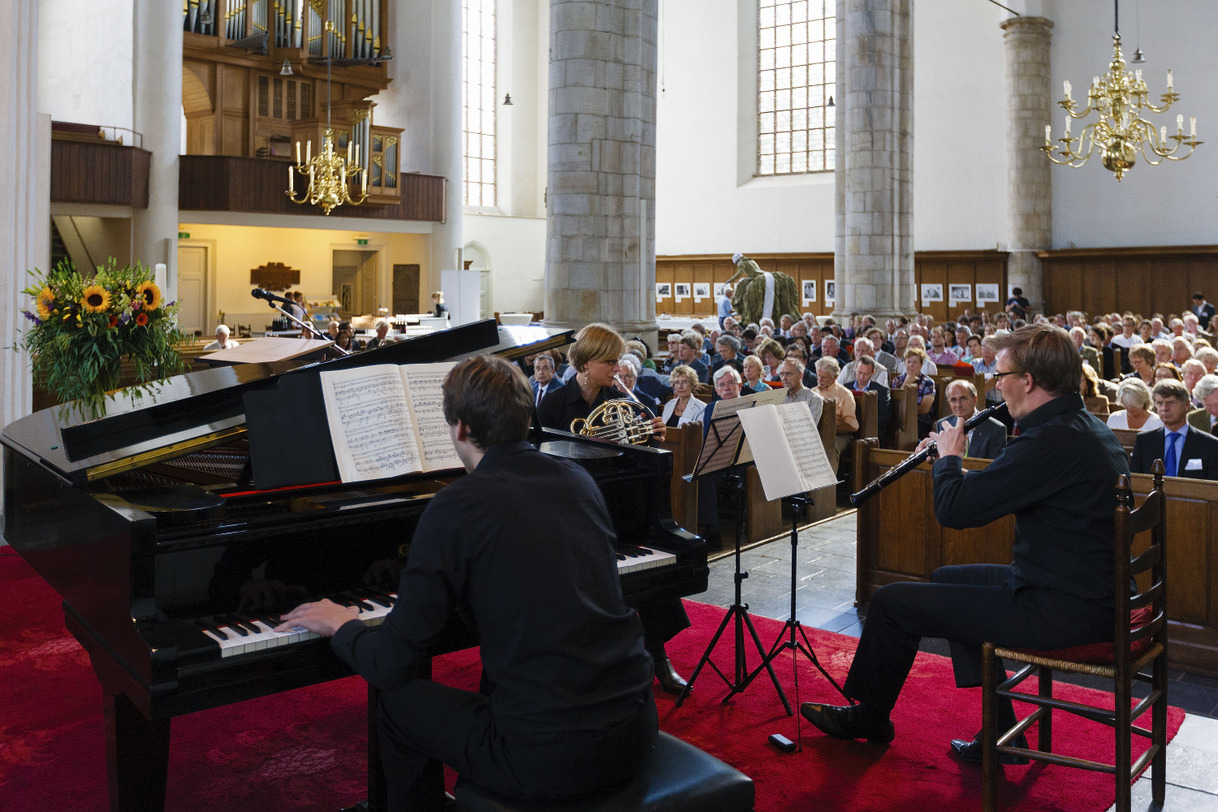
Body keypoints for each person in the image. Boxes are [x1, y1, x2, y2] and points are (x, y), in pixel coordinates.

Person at [276, 355, 658, 810]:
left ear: (458, 429)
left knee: (397, 706)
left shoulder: (458, 504)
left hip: (550, 756)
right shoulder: (577, 478)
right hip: (635, 728)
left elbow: (392, 662)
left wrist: (344, 625)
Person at [800, 324, 1131, 766]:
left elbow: (955, 513)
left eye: (1000, 375)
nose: (995, 386)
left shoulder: (1047, 440)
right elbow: (1013, 484)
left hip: (1062, 611)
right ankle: (999, 729)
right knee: (946, 579)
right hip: (1082, 591)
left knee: (892, 602)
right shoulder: (1081, 426)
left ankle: (870, 718)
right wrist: (952, 466)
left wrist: (951, 459)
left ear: (1028, 381)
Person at [536, 323, 689, 695]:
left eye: (619, 360)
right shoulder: (553, 403)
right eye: (610, 361)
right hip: (569, 509)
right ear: (586, 363)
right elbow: (540, 464)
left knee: (653, 563)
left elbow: (636, 457)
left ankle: (656, 653)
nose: (617, 369)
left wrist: (652, 436)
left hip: (613, 500)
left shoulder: (616, 401)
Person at [1132, 379, 1218, 479]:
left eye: (1170, 403)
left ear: (1186, 405)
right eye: (1159, 403)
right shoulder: (1144, 441)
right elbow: (1135, 481)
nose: (1164, 408)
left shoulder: (1210, 445)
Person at [935, 379, 1006, 459]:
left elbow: (994, 467)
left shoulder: (996, 429)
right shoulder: (942, 425)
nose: (958, 405)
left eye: (963, 399)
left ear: (975, 400)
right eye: (953, 400)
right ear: (949, 403)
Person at [893, 347, 936, 440]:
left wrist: (906, 410)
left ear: (921, 364)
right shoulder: (898, 380)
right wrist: (906, 384)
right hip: (898, 419)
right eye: (908, 362)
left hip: (920, 421)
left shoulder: (928, 382)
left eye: (915, 362)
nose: (911, 365)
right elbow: (895, 404)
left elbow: (924, 409)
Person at [849, 355, 891, 440]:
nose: (861, 377)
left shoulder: (882, 391)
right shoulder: (846, 387)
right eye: (859, 372)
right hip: (849, 430)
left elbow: (884, 417)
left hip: (872, 433)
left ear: (872, 372)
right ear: (855, 368)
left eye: (866, 374)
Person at [777, 358, 824, 425]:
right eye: (781, 374)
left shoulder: (814, 399)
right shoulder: (777, 397)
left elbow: (810, 429)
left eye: (788, 374)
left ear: (800, 375)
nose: (784, 378)